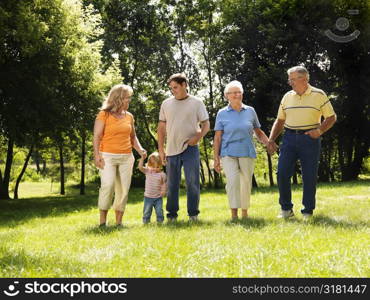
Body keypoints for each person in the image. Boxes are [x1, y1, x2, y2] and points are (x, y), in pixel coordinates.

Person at [268, 66, 336, 220]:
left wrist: (319, 131)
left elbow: (331, 117)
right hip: (289, 138)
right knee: (282, 173)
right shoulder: (287, 96)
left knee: (309, 175)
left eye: (292, 79)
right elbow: (280, 120)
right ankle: (286, 209)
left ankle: (307, 211)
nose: (289, 82)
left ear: (304, 79)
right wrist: (271, 139)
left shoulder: (319, 94)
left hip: (310, 138)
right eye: (289, 79)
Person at [213, 80, 273, 221]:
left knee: (246, 182)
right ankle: (234, 213)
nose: (236, 95)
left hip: (247, 151)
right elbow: (217, 137)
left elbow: (258, 131)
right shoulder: (222, 113)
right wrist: (216, 158)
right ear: (226, 95)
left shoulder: (250, 111)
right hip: (228, 152)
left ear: (242, 94)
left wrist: (268, 143)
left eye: (238, 92)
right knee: (233, 182)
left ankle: (244, 212)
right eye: (233, 93)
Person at [157, 73, 210, 222]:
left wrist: (197, 137)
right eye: (171, 88)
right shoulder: (166, 104)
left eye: (175, 87)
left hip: (190, 148)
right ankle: (172, 216)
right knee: (172, 185)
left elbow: (206, 124)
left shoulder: (197, 102)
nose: (173, 90)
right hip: (171, 150)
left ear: (184, 85)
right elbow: (161, 128)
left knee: (192, 182)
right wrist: (161, 149)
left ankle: (193, 214)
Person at [93, 84, 146, 227]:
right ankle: (103, 222)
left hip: (126, 157)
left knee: (123, 189)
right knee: (108, 185)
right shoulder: (104, 114)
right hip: (107, 156)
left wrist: (140, 150)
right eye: (127, 98)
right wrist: (96, 155)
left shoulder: (129, 117)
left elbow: (133, 137)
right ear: (118, 99)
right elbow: (97, 136)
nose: (129, 101)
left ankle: (118, 222)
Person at [138, 152, 166, 224]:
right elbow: (140, 167)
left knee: (159, 211)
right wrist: (142, 158)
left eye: (157, 167)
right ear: (149, 165)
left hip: (158, 197)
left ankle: (160, 221)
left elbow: (163, 184)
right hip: (148, 197)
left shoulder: (162, 175)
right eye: (152, 167)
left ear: (160, 166)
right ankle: (146, 221)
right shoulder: (148, 171)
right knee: (147, 211)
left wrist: (163, 191)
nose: (154, 169)